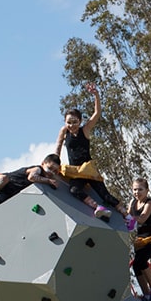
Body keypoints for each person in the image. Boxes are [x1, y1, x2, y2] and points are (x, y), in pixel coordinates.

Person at [56, 86, 121, 217]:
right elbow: (58, 146)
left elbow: (97, 114)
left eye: (75, 122)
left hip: (89, 170)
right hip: (76, 172)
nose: (72, 125)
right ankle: (98, 207)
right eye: (69, 122)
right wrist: (54, 162)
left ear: (80, 121)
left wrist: (96, 95)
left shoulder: (84, 130)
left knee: (105, 195)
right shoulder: (64, 131)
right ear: (65, 122)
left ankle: (128, 216)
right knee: (74, 190)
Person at [128, 178, 151, 301]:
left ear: (147, 191)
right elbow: (127, 217)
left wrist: (128, 216)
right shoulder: (132, 203)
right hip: (141, 239)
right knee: (136, 265)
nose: (137, 192)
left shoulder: (149, 204)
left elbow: (142, 218)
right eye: (135, 189)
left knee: (142, 260)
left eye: (140, 189)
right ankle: (146, 294)